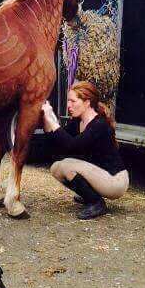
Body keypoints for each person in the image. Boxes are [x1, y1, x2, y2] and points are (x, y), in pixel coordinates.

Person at [41, 80, 129, 219]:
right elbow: (58, 144)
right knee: (56, 167)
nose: (68, 105)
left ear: (87, 102)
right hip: (101, 176)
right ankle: (90, 195)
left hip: (116, 181)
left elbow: (71, 146)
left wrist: (52, 121)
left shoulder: (99, 124)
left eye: (73, 101)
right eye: (68, 101)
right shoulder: (78, 121)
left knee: (67, 166)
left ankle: (96, 203)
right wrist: (46, 120)